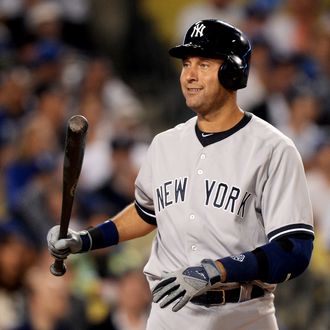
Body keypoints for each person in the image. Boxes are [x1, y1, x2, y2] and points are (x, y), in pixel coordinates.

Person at [47, 19, 314, 330]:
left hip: (243, 315)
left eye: (203, 64)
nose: (189, 75)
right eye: (186, 64)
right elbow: (148, 212)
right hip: (170, 315)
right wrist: (86, 239)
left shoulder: (273, 150)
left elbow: (295, 249)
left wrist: (218, 270)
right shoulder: (165, 144)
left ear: (233, 71)